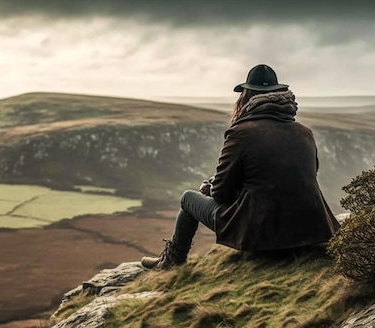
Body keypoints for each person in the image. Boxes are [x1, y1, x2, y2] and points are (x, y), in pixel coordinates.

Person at [141, 64, 340, 270]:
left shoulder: (241, 133)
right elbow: (302, 177)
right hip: (308, 231)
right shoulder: (304, 132)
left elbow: (222, 194)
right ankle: (170, 262)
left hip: (262, 236)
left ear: (246, 96)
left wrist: (209, 188)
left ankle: (171, 263)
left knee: (188, 199)